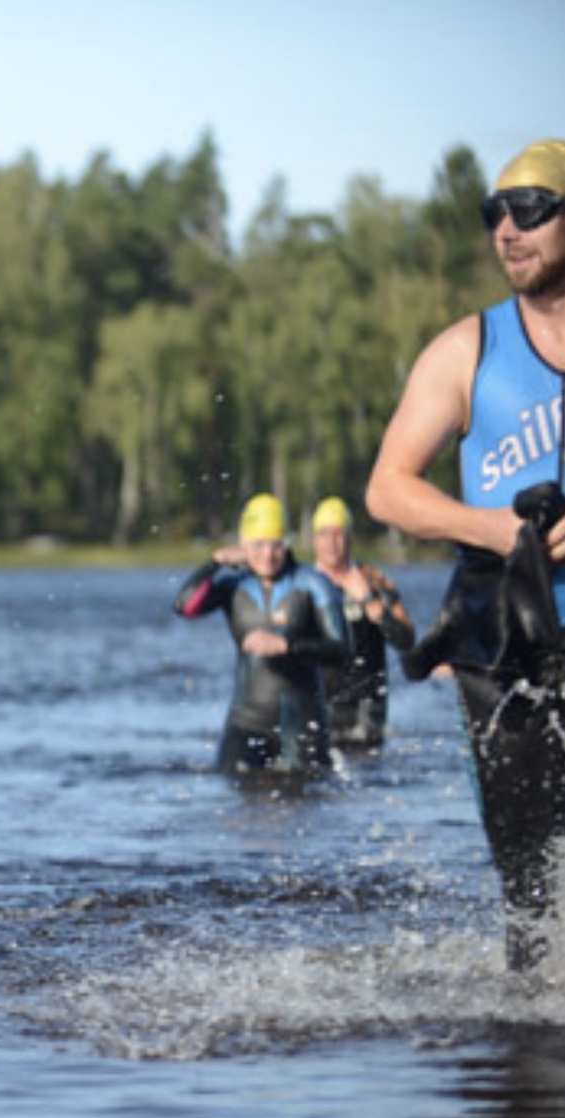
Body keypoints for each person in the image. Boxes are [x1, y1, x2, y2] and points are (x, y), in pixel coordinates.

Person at [365, 138, 565, 973]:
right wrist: (494, 529)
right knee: (530, 893)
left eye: (528, 210)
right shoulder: (466, 351)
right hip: (502, 650)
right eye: (494, 213)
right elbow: (387, 490)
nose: (506, 231)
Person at [173, 492, 350, 776]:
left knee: (309, 806)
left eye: (276, 545)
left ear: (287, 543)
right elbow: (185, 607)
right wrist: (214, 563)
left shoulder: (313, 584)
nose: (268, 555)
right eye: (258, 545)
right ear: (242, 544)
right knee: (233, 799)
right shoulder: (233, 586)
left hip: (302, 724)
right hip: (246, 722)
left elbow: (342, 651)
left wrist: (287, 646)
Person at [308, 496, 416, 748]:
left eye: (338, 534)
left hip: (367, 711)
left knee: (369, 777)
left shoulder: (375, 581)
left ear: (349, 539)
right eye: (324, 534)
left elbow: (406, 641)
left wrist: (369, 601)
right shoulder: (304, 586)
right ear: (314, 540)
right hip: (320, 706)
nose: (331, 543)